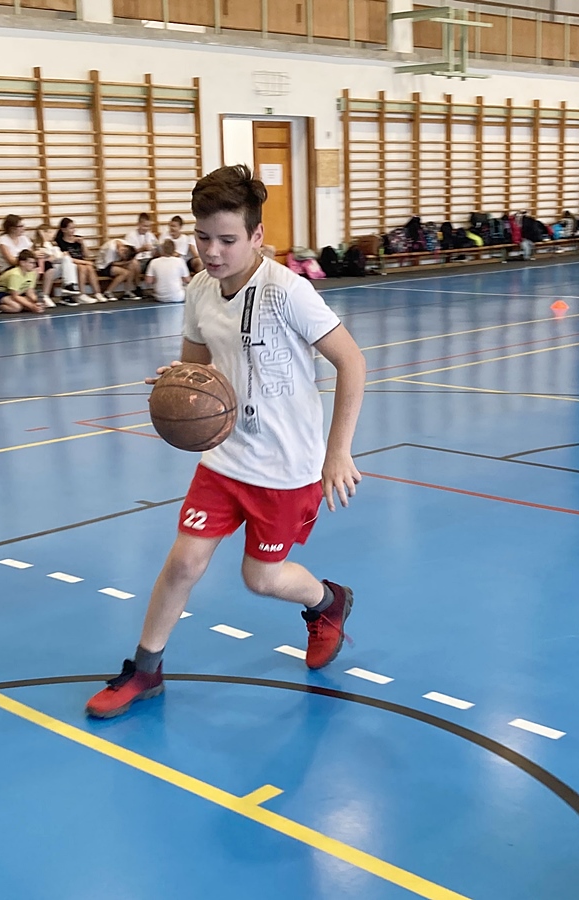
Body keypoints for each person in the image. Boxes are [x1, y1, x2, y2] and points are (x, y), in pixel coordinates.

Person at [85, 164, 367, 718]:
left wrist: (338, 452)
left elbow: (352, 362)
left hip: (286, 467)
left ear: (257, 236)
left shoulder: (289, 292)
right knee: (183, 563)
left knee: (261, 578)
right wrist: (178, 384)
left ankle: (327, 602)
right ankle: (146, 669)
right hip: (225, 457)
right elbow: (197, 367)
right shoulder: (199, 290)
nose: (212, 251)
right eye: (203, 237)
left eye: (227, 239)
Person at [0, 248, 43, 314]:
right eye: (31, 263)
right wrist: (32, 306)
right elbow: (15, 296)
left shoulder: (32, 273)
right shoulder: (15, 274)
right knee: (16, 307)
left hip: (15, 293)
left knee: (29, 303)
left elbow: (30, 291)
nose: (34, 265)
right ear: (22, 263)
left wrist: (36, 301)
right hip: (0, 293)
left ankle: (22, 305)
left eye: (34, 263)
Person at [144, 238, 191, 303]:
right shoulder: (180, 261)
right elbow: (187, 280)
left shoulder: (153, 262)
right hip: (178, 297)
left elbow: (149, 281)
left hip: (160, 297)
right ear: (174, 249)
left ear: (162, 249)